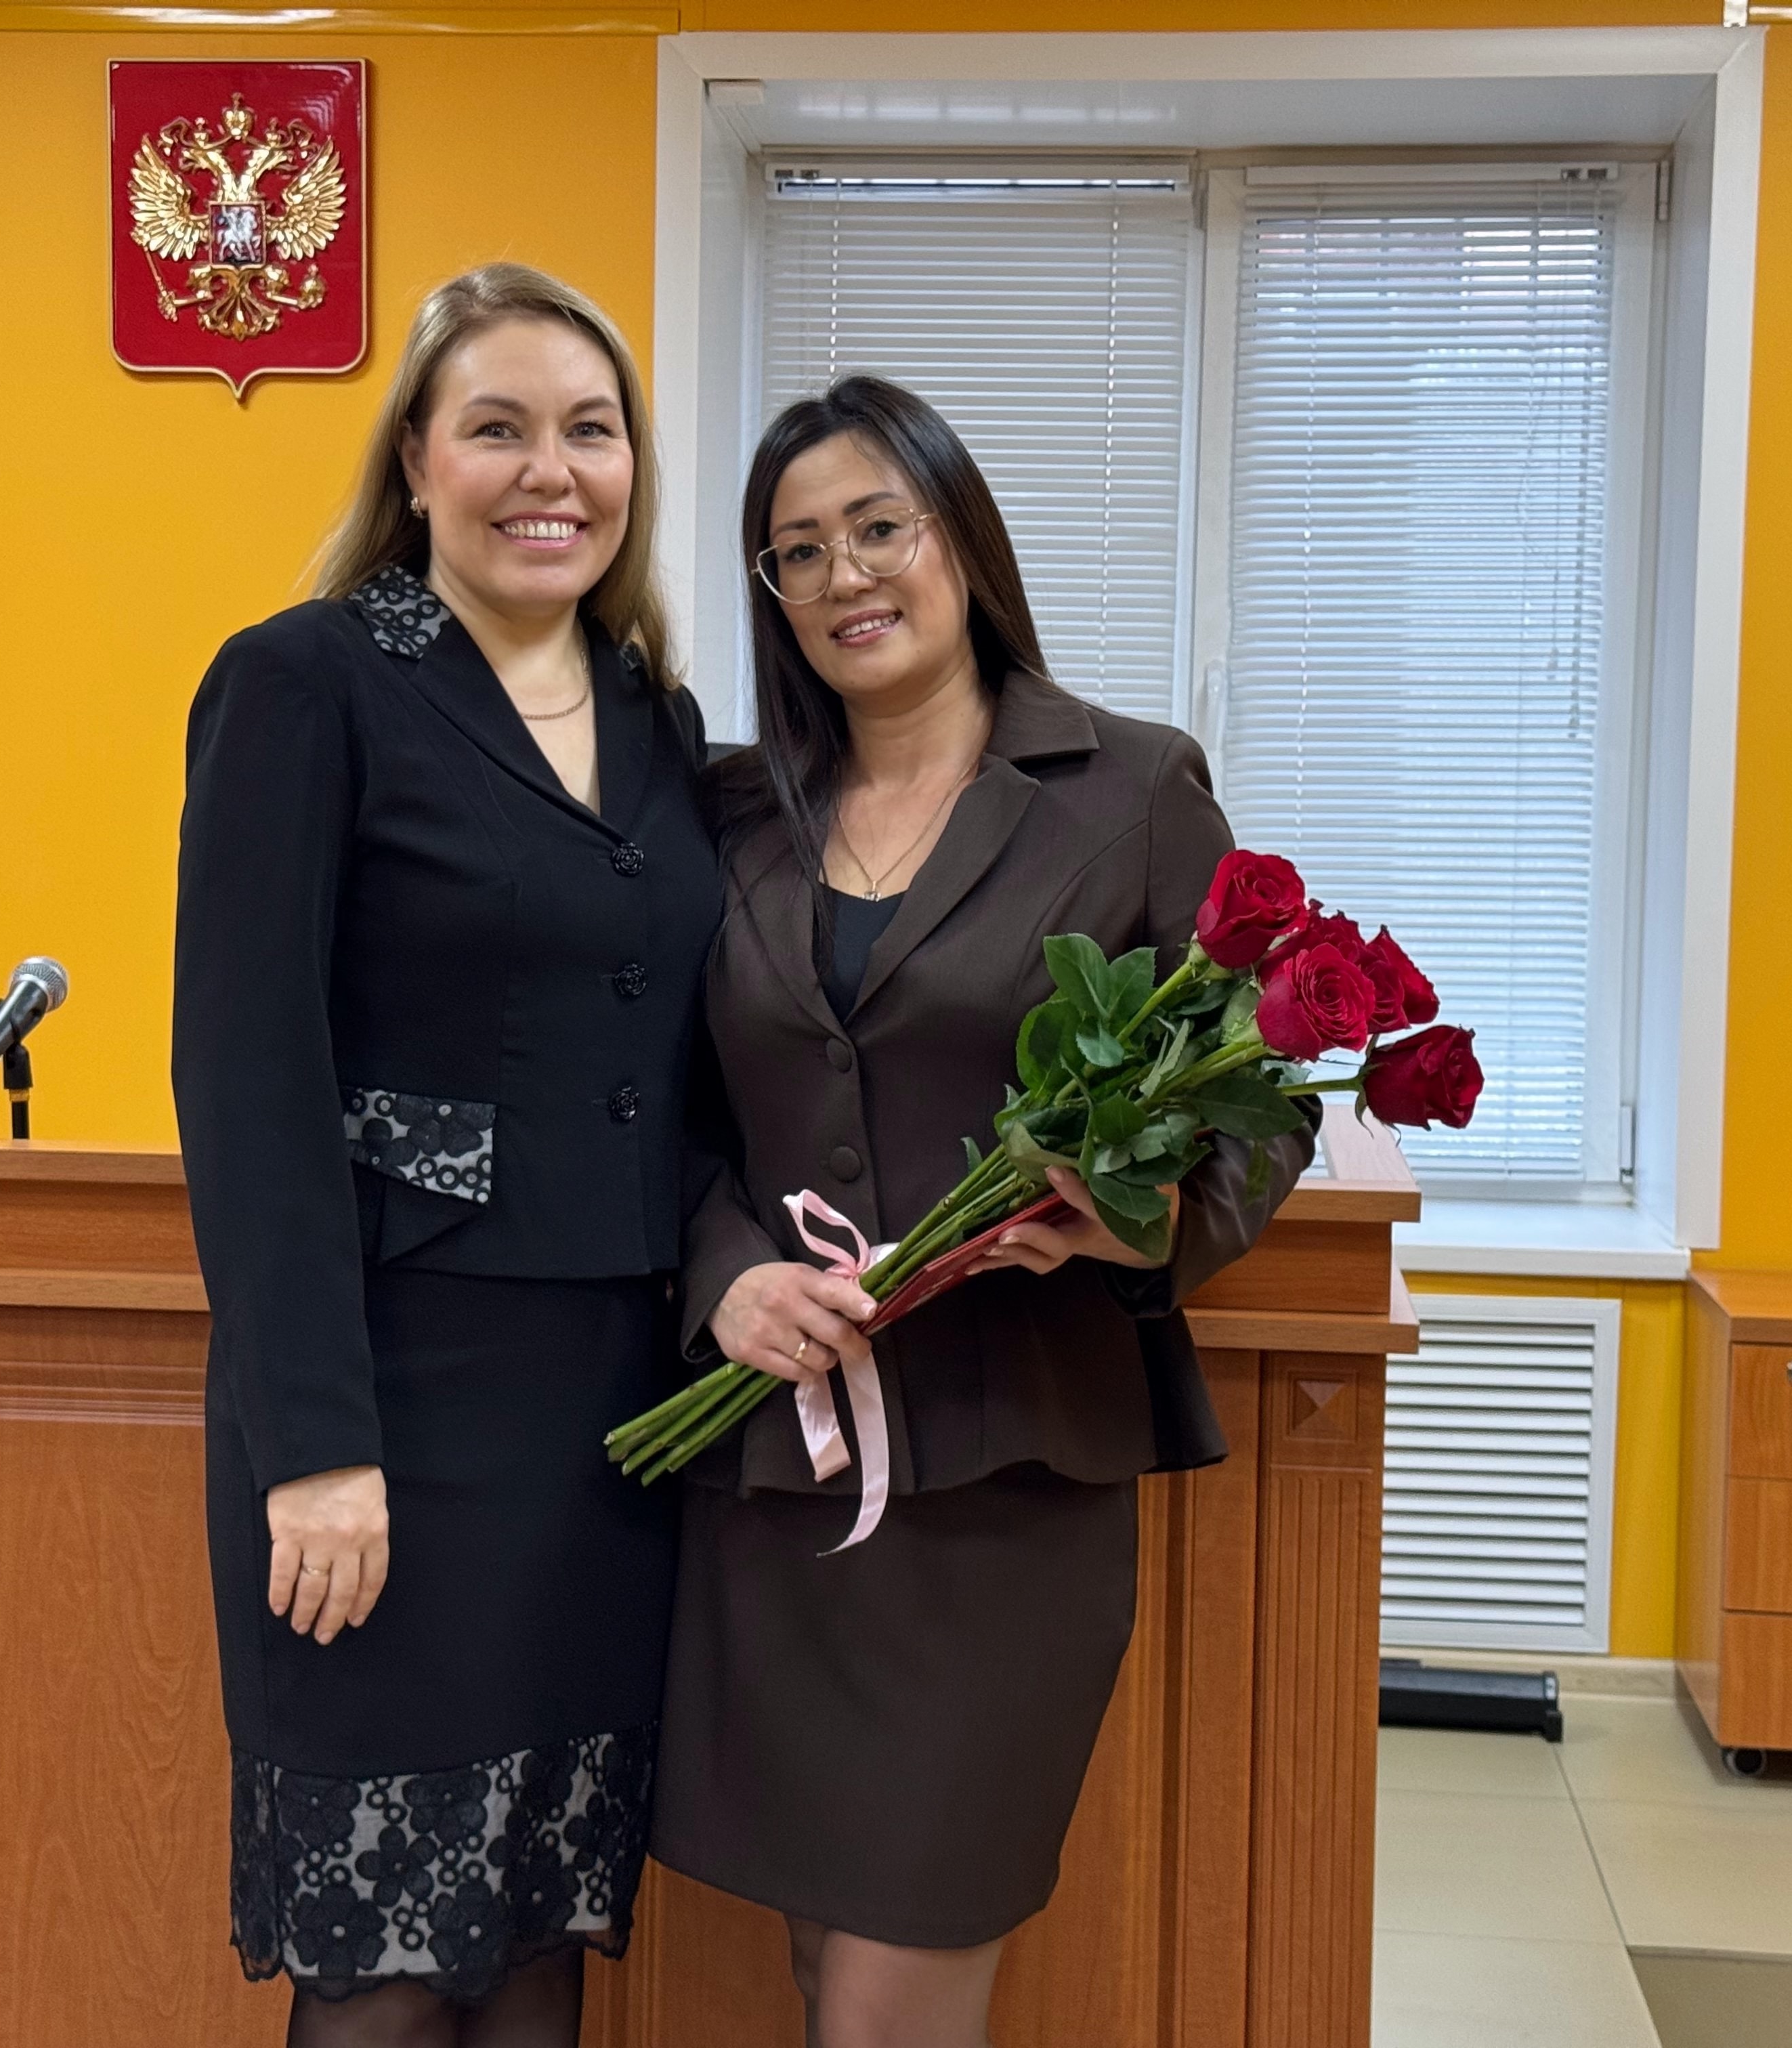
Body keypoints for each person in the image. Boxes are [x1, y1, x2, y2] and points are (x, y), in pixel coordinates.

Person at [654, 376, 1321, 2048]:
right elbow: (668, 1117)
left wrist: (1142, 1219)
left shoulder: (1132, 789)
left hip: (1009, 1482)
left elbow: (1266, 1098)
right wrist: (728, 1278)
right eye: (798, 551)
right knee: (822, 1967)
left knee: (894, 1994)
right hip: (777, 1481)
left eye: (879, 526)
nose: (846, 576)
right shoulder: (731, 815)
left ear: (958, 536)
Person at [172, 263, 721, 2048]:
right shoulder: (306, 682)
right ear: (416, 459)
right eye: (498, 427)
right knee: (387, 1976)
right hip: (391, 1413)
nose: (550, 471)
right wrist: (315, 1448)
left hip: (609, 1429)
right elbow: (247, 1083)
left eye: (591, 430)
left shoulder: (655, 717)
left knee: (536, 1946)